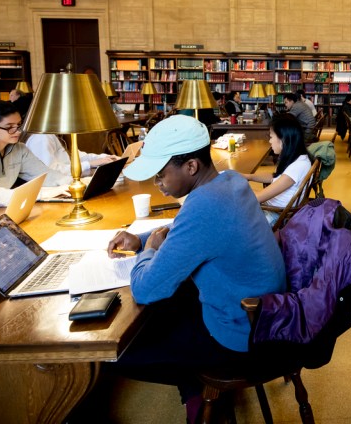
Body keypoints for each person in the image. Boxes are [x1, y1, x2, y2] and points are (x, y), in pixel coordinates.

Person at [104, 114, 285, 422]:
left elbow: (145, 289)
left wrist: (147, 252)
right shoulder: (228, 181)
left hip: (239, 334)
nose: (157, 184)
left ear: (190, 166)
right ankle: (197, 397)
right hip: (256, 313)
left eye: (161, 175)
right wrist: (142, 238)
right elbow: (184, 231)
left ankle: (201, 396)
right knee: (165, 313)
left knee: (116, 355)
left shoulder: (204, 206)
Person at [0, 99, 70, 209]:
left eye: (18, 125)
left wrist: (76, 183)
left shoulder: (19, 149)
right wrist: (41, 194)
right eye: (9, 127)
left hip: (2, 211)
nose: (18, 131)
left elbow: (46, 176)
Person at [240, 113, 312, 225]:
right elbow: (275, 176)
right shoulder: (299, 158)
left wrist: (234, 187)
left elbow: (258, 197)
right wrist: (248, 176)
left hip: (275, 215)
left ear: (283, 139)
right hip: (272, 208)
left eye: (271, 137)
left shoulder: (297, 167)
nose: (270, 141)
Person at [25, 133, 120, 178]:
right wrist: (90, 164)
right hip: (56, 187)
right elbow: (51, 172)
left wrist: (103, 158)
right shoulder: (42, 138)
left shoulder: (60, 135)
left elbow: (79, 156)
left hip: (68, 180)